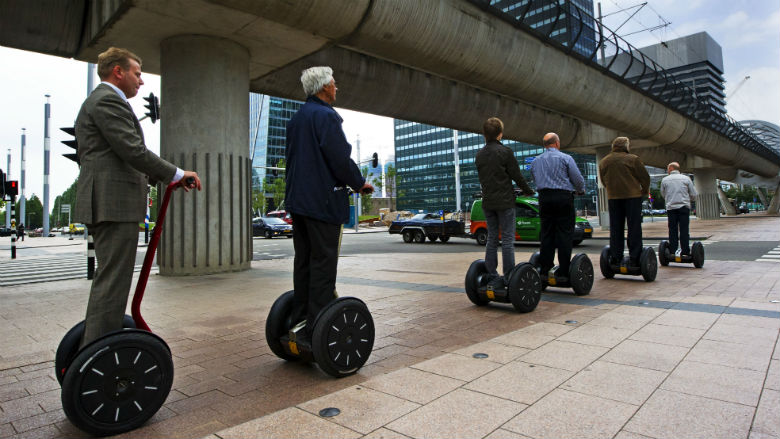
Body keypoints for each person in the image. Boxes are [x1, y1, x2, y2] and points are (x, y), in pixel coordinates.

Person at [74, 47, 201, 348]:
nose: (141, 81)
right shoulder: (107, 100)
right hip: (113, 202)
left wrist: (163, 178)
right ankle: (96, 354)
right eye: (137, 73)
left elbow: (123, 154)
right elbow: (132, 150)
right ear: (118, 71)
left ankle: (94, 348)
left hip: (111, 201)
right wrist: (176, 173)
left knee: (111, 281)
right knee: (113, 284)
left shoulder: (105, 101)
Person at [285, 66, 373, 336]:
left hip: (298, 203)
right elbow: (339, 158)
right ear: (324, 87)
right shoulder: (327, 117)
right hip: (322, 203)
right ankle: (317, 326)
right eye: (334, 83)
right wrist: (359, 183)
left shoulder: (297, 119)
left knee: (304, 262)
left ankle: (299, 319)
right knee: (323, 264)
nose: (337, 88)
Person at [475, 117, 534, 288]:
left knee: (492, 238)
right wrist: (528, 191)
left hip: (488, 202)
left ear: (484, 134)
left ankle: (491, 274)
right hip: (505, 201)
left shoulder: (479, 155)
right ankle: (509, 276)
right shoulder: (506, 152)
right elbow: (516, 176)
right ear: (500, 134)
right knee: (507, 239)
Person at [530, 133, 585, 281]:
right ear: (557, 143)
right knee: (565, 234)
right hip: (563, 198)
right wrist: (580, 190)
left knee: (547, 234)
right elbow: (577, 179)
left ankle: (545, 269)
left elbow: (534, 178)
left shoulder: (536, 161)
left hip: (544, 198)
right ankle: (564, 270)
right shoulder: (566, 158)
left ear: (545, 144)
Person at [598, 136, 650, 267]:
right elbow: (645, 177)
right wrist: (643, 191)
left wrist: (611, 189)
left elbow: (603, 181)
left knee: (615, 228)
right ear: (626, 146)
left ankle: (616, 257)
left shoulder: (604, 161)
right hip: (632, 196)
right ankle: (635, 257)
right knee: (634, 227)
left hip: (613, 197)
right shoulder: (633, 159)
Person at [660, 162, 697, 255]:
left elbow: (663, 194)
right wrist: (688, 199)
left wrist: (670, 199)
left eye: (668, 169)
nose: (667, 170)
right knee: (684, 229)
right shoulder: (686, 179)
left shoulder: (665, 180)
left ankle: (673, 250)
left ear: (671, 168)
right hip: (684, 207)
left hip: (671, 208)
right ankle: (685, 251)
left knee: (672, 230)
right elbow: (693, 194)